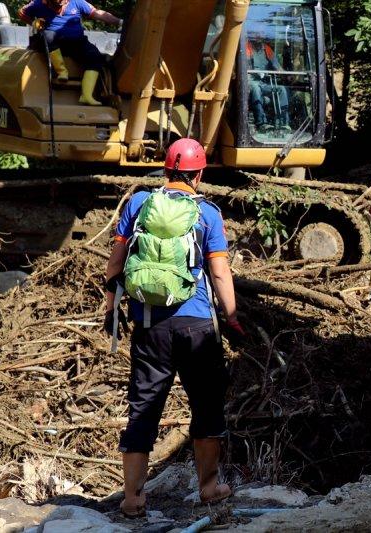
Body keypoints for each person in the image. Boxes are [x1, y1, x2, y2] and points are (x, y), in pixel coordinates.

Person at [102, 139, 244, 517]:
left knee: (144, 408)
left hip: (150, 326)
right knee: (206, 404)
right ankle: (210, 487)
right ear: (199, 175)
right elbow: (219, 272)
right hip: (197, 326)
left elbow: (115, 265)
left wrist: (112, 309)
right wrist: (231, 316)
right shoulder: (208, 214)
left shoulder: (138, 204)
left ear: (166, 169)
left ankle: (132, 499)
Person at [18, 0, 122, 105]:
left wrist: (119, 22)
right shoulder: (38, 3)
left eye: (62, 2)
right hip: (53, 43)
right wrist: (33, 22)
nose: (59, 5)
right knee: (48, 35)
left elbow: (98, 14)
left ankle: (86, 95)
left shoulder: (77, 2)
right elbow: (22, 12)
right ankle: (62, 72)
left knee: (94, 56)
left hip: (76, 42)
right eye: (56, 3)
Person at [247, 38, 290, 132]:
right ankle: (261, 123)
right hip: (248, 82)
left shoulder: (267, 49)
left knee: (281, 89)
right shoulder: (246, 47)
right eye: (255, 33)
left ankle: (284, 123)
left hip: (263, 83)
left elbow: (277, 67)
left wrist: (287, 76)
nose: (258, 35)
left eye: (260, 33)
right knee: (255, 88)